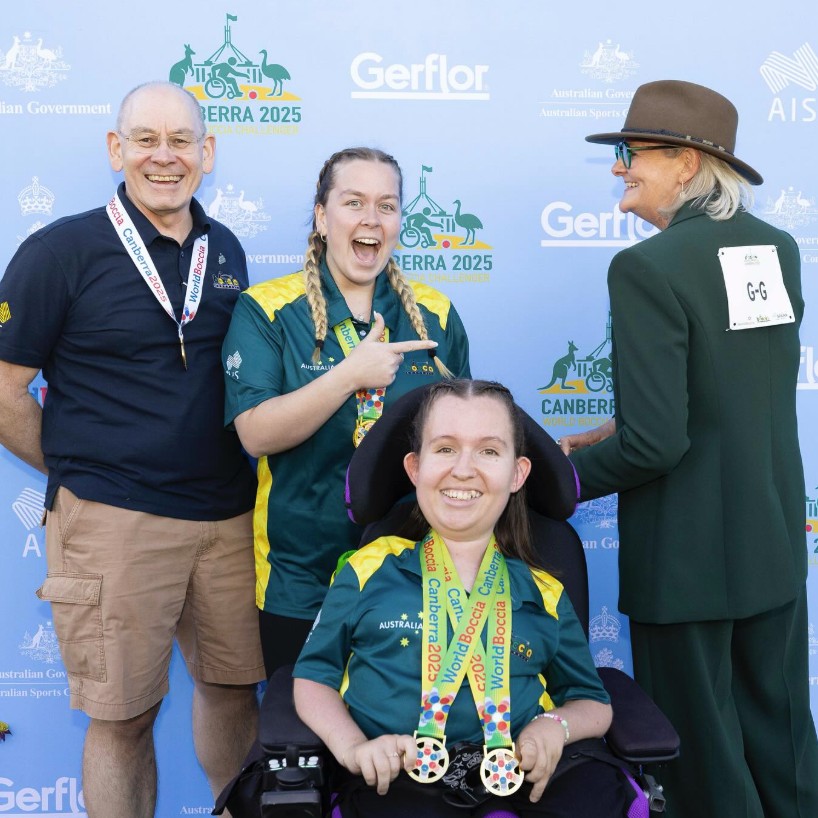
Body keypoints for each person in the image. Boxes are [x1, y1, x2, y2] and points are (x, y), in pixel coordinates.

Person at [0, 81, 263, 818]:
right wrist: (81, 471)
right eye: (145, 139)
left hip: (226, 517)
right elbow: (5, 389)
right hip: (112, 522)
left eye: (181, 140)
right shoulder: (59, 251)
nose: (164, 156)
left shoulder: (228, 250)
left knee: (233, 689)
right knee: (121, 714)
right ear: (116, 150)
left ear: (207, 154)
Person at [559, 79, 818, 817]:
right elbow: (733, 395)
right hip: (770, 547)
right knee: (785, 744)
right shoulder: (775, 248)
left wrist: (551, 475)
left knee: (700, 765)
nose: (618, 168)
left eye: (630, 153)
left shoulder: (646, 266)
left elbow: (655, 446)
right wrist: (627, 425)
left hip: (686, 564)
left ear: (683, 163)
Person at [293, 380, 627, 817]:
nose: (464, 470)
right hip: (393, 780)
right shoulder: (367, 569)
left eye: (488, 451)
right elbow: (312, 677)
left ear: (517, 474)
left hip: (518, 778)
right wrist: (354, 748)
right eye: (446, 449)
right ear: (415, 468)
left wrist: (554, 727)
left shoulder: (544, 592)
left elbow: (593, 703)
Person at [222, 147, 471, 678]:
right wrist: (350, 375)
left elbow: (467, 439)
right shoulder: (265, 309)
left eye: (386, 205)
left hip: (417, 575)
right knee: (306, 739)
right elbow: (256, 434)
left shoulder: (436, 316)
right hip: (302, 581)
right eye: (353, 202)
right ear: (321, 216)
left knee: (404, 740)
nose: (370, 219)